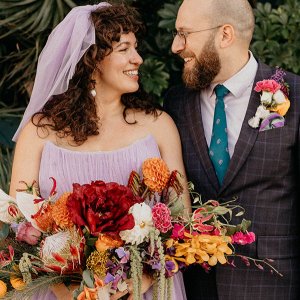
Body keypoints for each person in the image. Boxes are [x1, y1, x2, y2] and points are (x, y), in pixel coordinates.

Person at [10, 2, 190, 300]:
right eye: (124, 49)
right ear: (92, 60)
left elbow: (180, 220)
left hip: (144, 290)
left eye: (136, 47)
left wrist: (140, 280)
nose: (139, 59)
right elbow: (19, 228)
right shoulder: (39, 132)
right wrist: (69, 289)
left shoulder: (159, 126)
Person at [164, 0, 300, 299]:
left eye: (184, 33)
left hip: (276, 286)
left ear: (225, 35)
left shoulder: (295, 96)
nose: (176, 46)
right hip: (196, 286)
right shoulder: (175, 102)